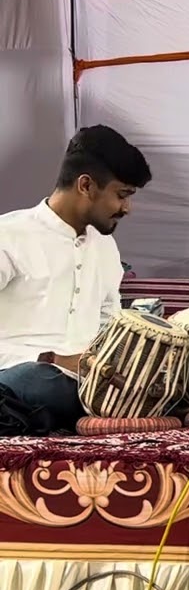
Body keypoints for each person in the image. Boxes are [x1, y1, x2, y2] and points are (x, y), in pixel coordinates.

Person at [0, 126, 152, 432]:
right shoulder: (10, 235)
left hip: (88, 382)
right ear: (86, 185)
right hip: (18, 373)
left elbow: (109, 324)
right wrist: (51, 357)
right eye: (121, 195)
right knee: (39, 380)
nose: (127, 208)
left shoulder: (105, 246)